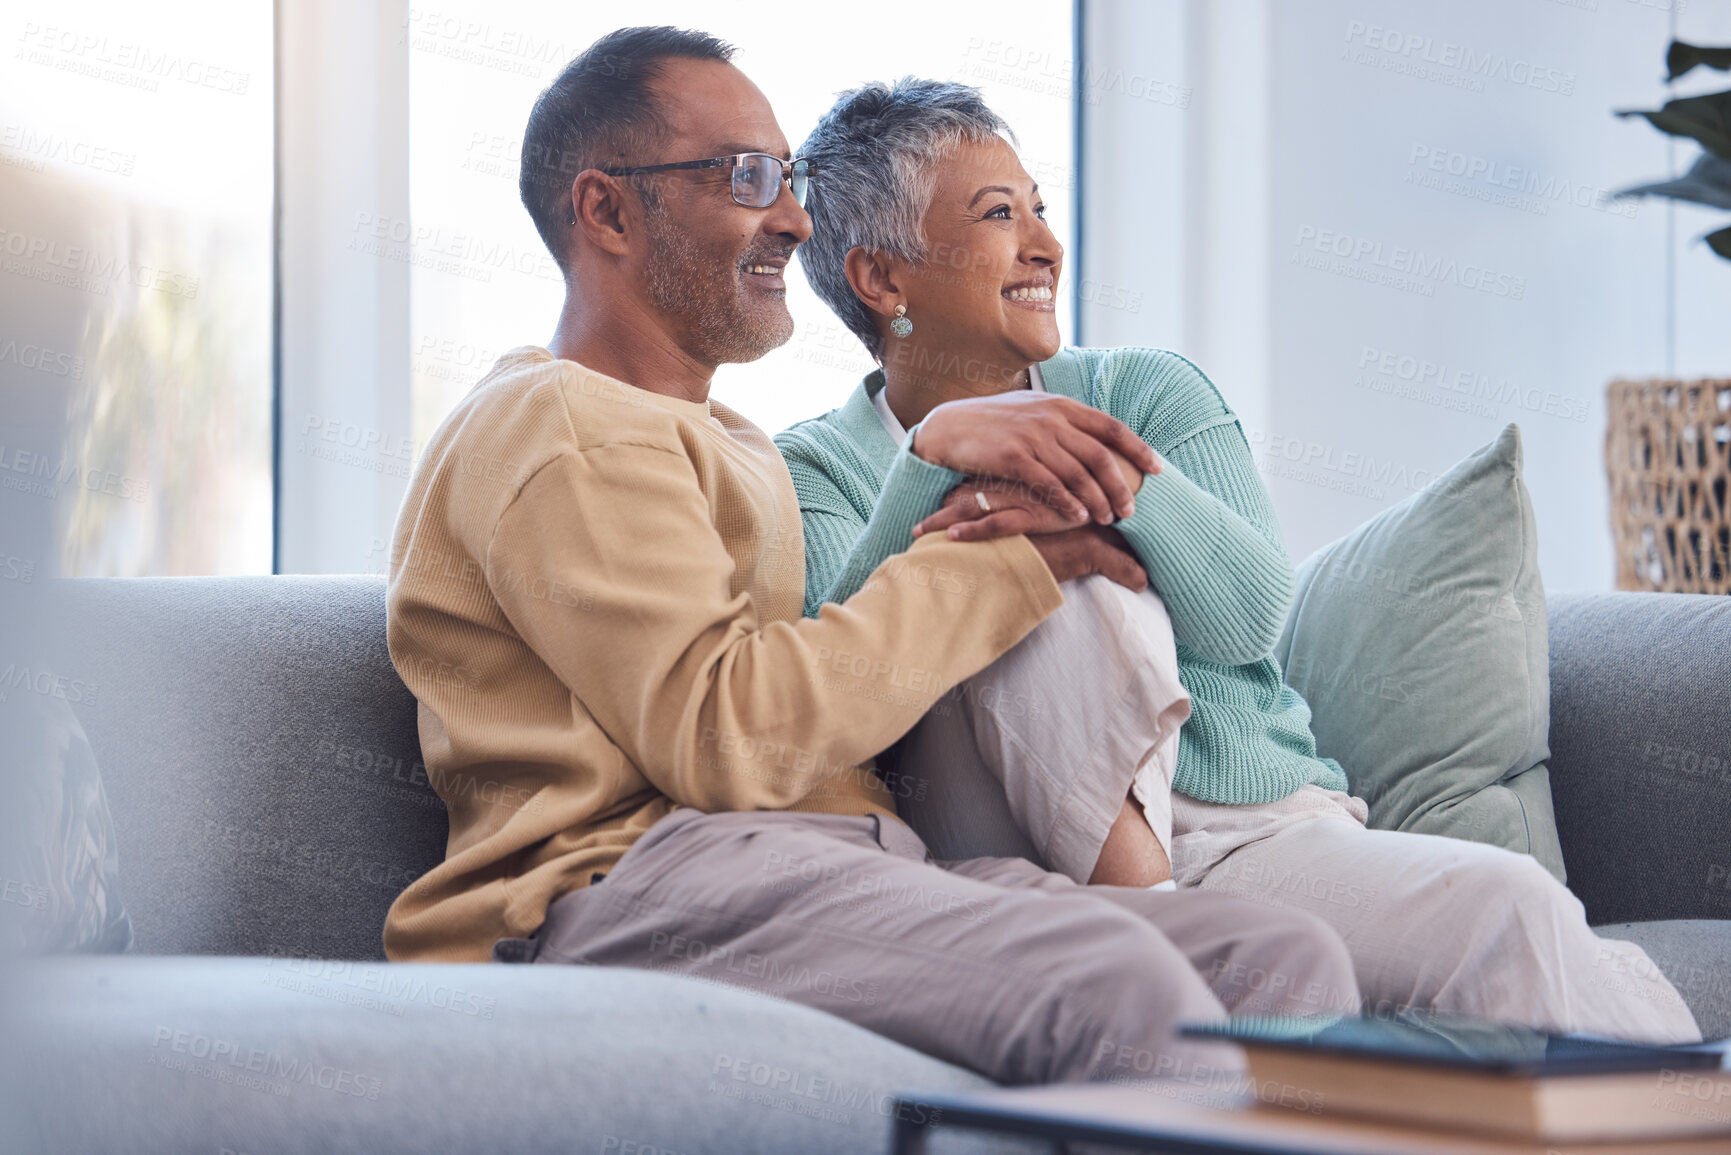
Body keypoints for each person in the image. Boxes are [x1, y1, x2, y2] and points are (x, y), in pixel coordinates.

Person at [379, 26, 1360, 1091]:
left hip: (819, 854)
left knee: (1279, 960)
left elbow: (813, 682)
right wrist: (1019, 557)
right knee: (1119, 988)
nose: (794, 218)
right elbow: (728, 735)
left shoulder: (728, 442)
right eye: (746, 176)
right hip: (620, 883)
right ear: (607, 209)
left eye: (790, 177)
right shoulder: (561, 423)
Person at [774, 77, 1702, 1047]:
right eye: (999, 215)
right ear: (883, 280)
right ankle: (1168, 940)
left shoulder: (1148, 390)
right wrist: (935, 468)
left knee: (1511, 908)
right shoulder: (820, 468)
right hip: (1004, 844)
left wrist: (1108, 473)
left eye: (1041, 209)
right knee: (1031, 573)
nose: (1044, 244)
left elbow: (1249, 615)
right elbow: (850, 702)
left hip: (1250, 831)